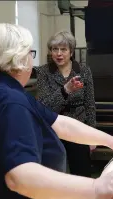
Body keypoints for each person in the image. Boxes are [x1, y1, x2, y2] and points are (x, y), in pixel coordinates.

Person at [0, 23, 113, 199]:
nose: (31, 59)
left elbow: (60, 124)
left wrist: (110, 140)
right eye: (29, 53)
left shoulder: (0, 91)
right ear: (17, 58)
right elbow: (22, 177)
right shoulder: (9, 101)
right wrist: (96, 187)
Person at [34, 30, 96, 177]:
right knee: (54, 176)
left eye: (63, 49)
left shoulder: (83, 70)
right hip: (53, 129)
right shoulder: (44, 72)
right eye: (55, 49)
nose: (59, 54)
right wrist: (65, 90)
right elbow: (43, 106)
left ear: (71, 51)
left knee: (82, 174)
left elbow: (90, 104)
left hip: (78, 129)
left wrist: (92, 136)